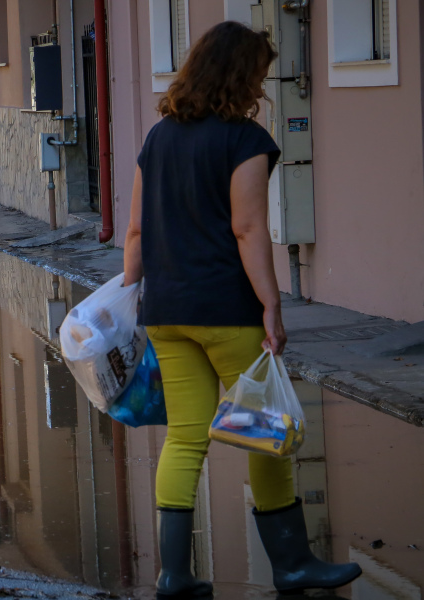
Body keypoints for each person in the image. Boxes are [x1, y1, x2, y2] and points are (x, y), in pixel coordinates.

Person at [122, 21, 361, 599]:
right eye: (258, 72)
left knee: (185, 437)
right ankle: (292, 564)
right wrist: (272, 305)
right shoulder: (244, 140)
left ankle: (174, 574)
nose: (261, 83)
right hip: (225, 308)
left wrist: (132, 300)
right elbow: (248, 228)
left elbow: (135, 233)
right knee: (264, 429)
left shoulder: (158, 137)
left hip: (166, 309)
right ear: (239, 73)